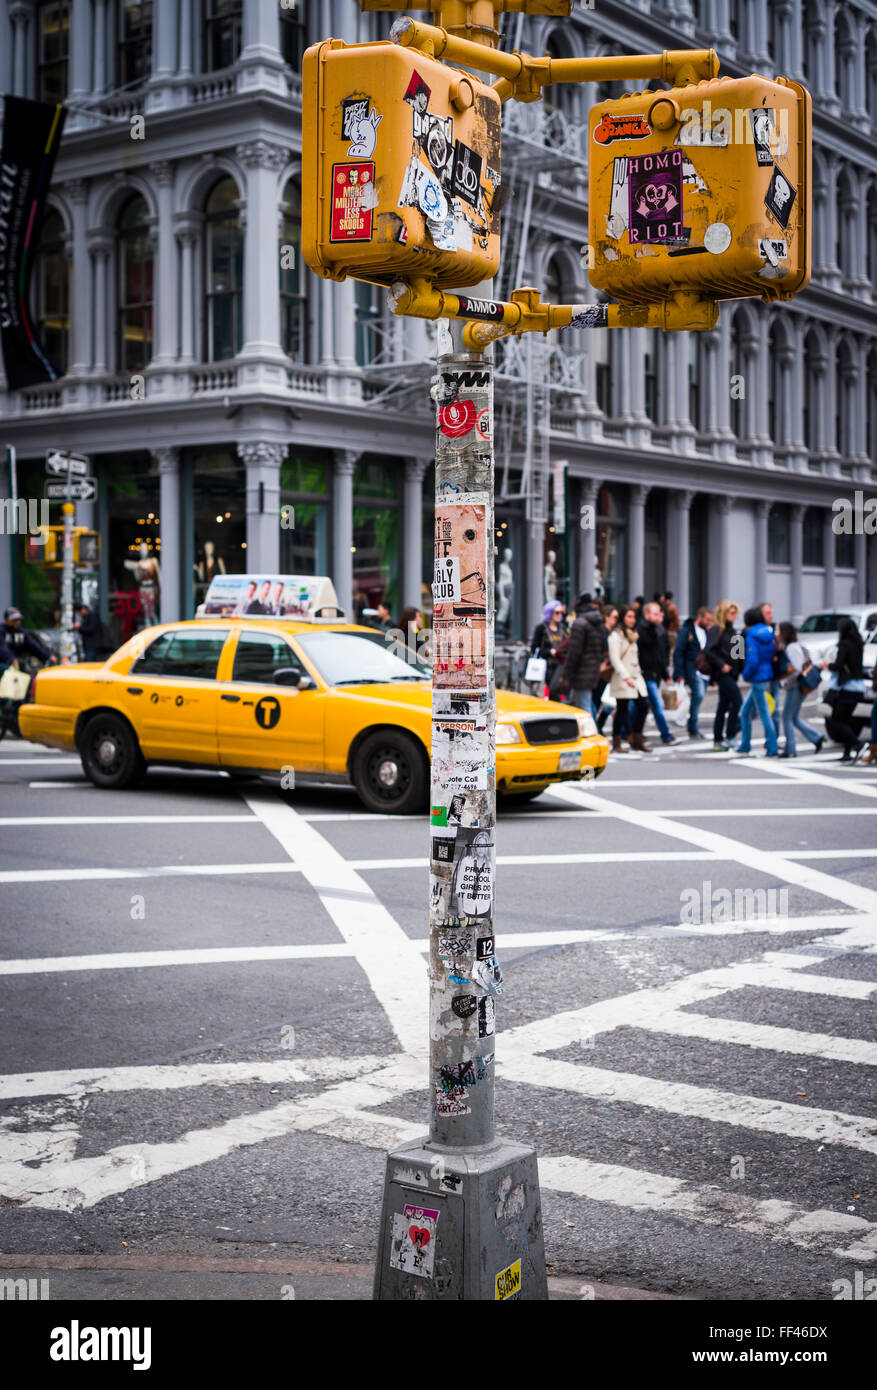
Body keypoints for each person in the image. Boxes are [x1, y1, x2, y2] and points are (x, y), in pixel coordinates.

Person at [736, 603, 780, 757]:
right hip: (767, 674)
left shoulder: (751, 635)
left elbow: (752, 660)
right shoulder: (768, 632)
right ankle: (745, 744)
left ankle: (771, 747)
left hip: (757, 678)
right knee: (746, 712)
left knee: (763, 713)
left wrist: (746, 675)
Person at [821, 617, 867, 763]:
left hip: (846, 687)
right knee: (846, 721)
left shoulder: (844, 645)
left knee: (836, 721)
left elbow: (839, 665)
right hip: (858, 687)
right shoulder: (858, 644)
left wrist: (828, 665)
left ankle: (858, 744)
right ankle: (847, 753)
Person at [776, 621, 824, 758]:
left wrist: (784, 682)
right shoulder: (793, 646)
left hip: (796, 685)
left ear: (784, 633)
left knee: (787, 717)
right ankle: (816, 737)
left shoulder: (792, 648)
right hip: (798, 685)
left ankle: (790, 749)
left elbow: (797, 669)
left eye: (778, 631)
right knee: (793, 717)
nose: (776, 634)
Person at [608, 604, 650, 753]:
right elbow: (615, 659)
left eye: (633, 617)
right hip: (622, 678)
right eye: (629, 616)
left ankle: (636, 738)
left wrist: (637, 674)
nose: (632, 620)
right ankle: (617, 741)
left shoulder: (633, 634)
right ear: (622, 618)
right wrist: (626, 677)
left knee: (643, 705)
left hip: (636, 677)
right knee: (622, 710)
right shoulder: (616, 635)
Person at [705, 600, 743, 750]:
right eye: (731, 613)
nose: (734, 616)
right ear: (724, 613)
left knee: (723, 706)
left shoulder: (733, 631)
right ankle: (730, 735)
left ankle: (718, 739)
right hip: (722, 674)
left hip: (732, 674)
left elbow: (737, 653)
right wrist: (722, 665)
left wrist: (740, 669)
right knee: (737, 701)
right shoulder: (716, 630)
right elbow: (709, 651)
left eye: (735, 613)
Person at [637, 601, 677, 745]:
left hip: (656, 673)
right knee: (656, 705)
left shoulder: (659, 630)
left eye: (659, 614)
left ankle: (630, 732)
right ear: (646, 614)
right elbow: (646, 652)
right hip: (645, 674)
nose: (658, 616)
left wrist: (666, 675)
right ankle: (665, 735)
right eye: (655, 614)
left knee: (641, 707)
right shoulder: (642, 629)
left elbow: (661, 654)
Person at [673, 606, 714, 738]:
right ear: (700, 617)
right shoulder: (687, 631)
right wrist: (679, 673)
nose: (709, 623)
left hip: (705, 670)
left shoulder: (707, 632)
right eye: (707, 620)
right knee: (699, 694)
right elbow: (678, 652)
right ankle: (692, 727)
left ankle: (693, 726)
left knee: (699, 696)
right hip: (692, 669)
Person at [563, 594, 605, 718]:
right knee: (583, 703)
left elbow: (574, 652)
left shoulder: (580, 623)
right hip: (593, 669)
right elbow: (603, 646)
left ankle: (593, 734)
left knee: (584, 707)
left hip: (581, 672)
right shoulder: (597, 622)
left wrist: (566, 674)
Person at [530, 600, 567, 698]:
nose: (559, 615)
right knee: (551, 691)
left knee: (559, 691)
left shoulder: (562, 628)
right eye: (557, 612)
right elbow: (534, 647)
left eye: (561, 612)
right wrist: (549, 652)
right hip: (546, 665)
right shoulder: (541, 628)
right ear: (550, 613)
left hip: (560, 664)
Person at [594, 606, 619, 733]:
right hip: (603, 670)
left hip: (611, 671)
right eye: (614, 617)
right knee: (598, 700)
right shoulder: (601, 632)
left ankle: (599, 725)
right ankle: (596, 727)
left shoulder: (614, 632)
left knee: (610, 701)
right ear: (606, 617)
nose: (616, 620)